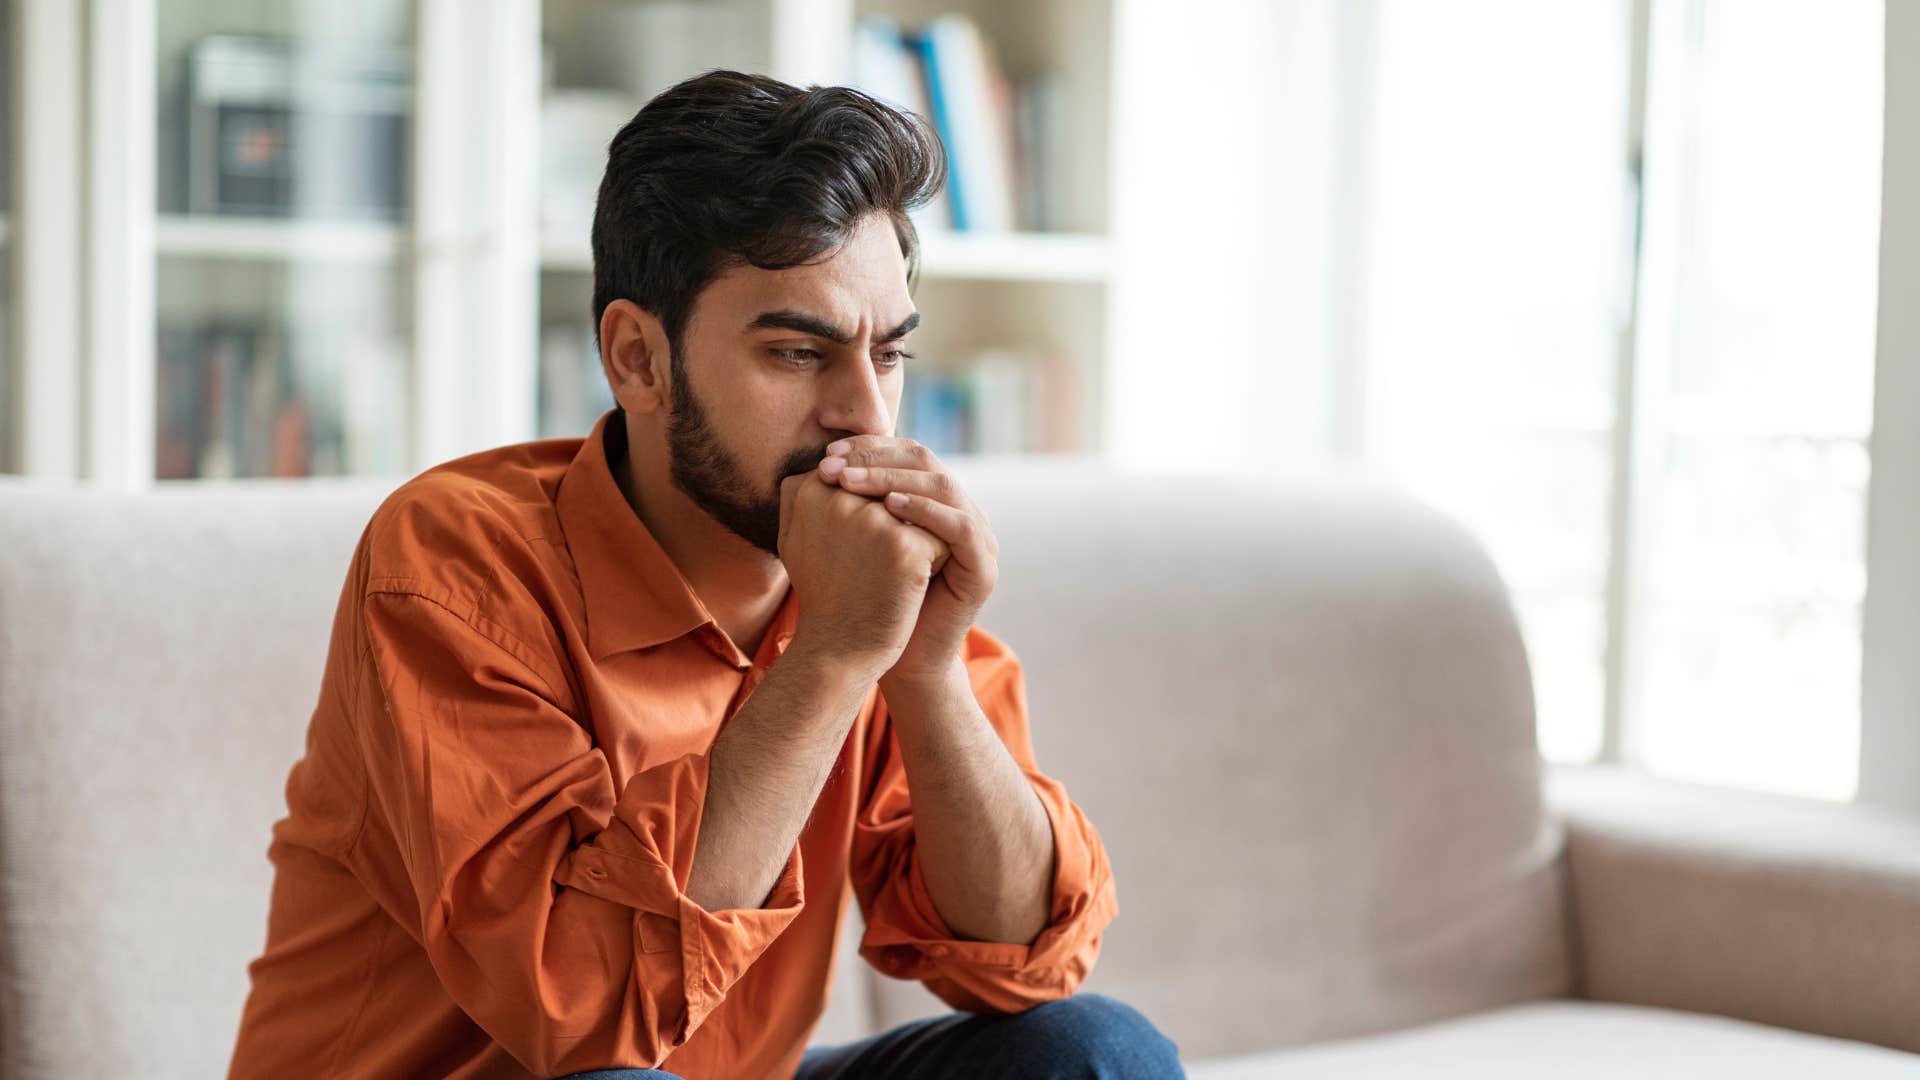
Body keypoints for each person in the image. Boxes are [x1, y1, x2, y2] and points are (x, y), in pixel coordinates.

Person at [226, 69, 1181, 1079]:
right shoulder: (453, 566)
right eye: (797, 353)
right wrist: (829, 661)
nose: (865, 415)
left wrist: (928, 668)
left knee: (1092, 1054)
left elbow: (1022, 963)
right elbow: (585, 1016)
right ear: (638, 359)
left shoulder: (858, 579)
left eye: (888, 354)